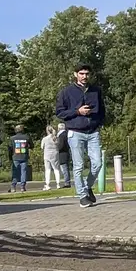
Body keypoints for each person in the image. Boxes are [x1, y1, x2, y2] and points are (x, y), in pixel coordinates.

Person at [55, 62, 105, 208]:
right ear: (75, 74)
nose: (84, 76)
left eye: (87, 74)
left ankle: (88, 187)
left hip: (93, 132)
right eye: (81, 74)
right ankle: (82, 196)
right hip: (75, 132)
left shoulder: (96, 91)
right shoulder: (66, 92)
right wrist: (77, 111)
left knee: (97, 163)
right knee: (78, 166)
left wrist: (98, 122)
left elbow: (102, 110)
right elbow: (60, 112)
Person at [7, 125, 32, 192]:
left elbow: (10, 148)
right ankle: (22, 186)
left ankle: (13, 187)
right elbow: (32, 145)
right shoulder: (27, 137)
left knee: (15, 172)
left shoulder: (12, 138)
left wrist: (10, 157)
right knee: (23, 172)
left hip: (15, 156)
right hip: (24, 156)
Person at [41, 125, 62, 191]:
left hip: (47, 154)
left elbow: (42, 147)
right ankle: (58, 184)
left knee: (48, 170)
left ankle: (47, 184)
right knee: (56, 169)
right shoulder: (56, 138)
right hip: (55, 154)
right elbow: (59, 145)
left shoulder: (45, 139)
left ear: (47, 131)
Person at [56, 122, 71, 187]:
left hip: (62, 154)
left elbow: (61, 145)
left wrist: (56, 149)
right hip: (66, 152)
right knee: (65, 168)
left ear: (59, 128)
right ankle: (67, 181)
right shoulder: (67, 134)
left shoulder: (61, 135)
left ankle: (67, 182)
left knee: (64, 168)